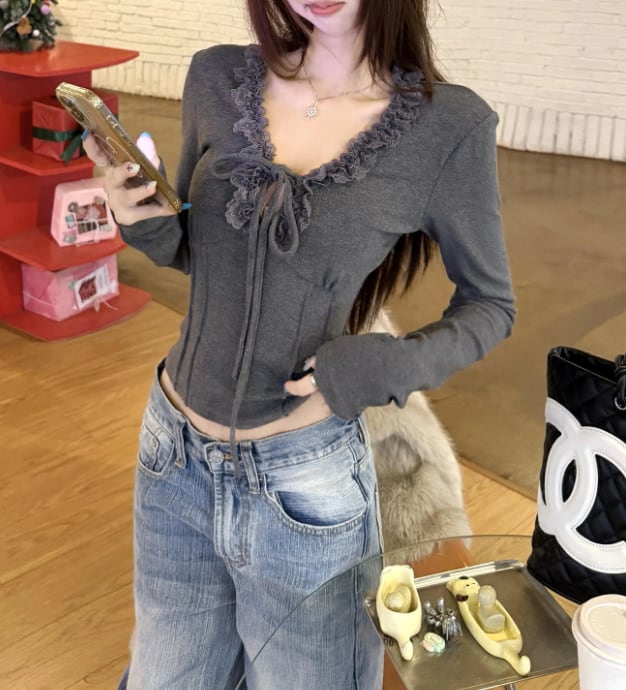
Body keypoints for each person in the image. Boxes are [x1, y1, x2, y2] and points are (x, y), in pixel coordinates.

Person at [83, 0, 516, 687]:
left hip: (305, 488)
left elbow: (491, 305)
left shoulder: (448, 126)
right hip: (172, 457)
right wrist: (138, 215)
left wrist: (387, 364)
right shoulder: (216, 78)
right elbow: (199, 249)